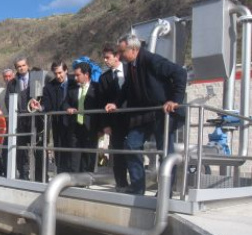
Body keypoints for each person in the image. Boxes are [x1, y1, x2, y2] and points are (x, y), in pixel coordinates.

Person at [105, 34, 187, 195]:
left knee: (165, 151)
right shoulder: (131, 66)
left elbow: (179, 73)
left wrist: (174, 100)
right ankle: (137, 187)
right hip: (143, 115)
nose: (120, 56)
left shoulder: (151, 60)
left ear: (134, 49)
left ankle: (165, 191)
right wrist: (116, 103)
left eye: (122, 52)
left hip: (162, 113)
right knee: (131, 145)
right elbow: (127, 89)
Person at [4, 57, 44, 182]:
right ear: (16, 68)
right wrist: (15, 114)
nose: (21, 68)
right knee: (21, 149)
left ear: (28, 65)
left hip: (36, 119)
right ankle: (24, 174)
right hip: (20, 120)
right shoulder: (13, 83)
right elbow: (8, 100)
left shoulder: (37, 77)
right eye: (19, 66)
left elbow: (42, 96)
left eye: (23, 65)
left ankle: (40, 176)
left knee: (38, 148)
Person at [98, 43, 129, 191]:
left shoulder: (131, 70)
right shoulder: (104, 78)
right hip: (115, 122)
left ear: (117, 56)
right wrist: (105, 125)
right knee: (118, 153)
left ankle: (137, 184)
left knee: (135, 151)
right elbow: (102, 102)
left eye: (107, 57)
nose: (105, 60)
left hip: (133, 119)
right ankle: (121, 183)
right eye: (104, 58)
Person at [62, 61, 102, 173]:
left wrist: (100, 128)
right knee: (74, 155)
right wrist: (68, 108)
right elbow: (64, 103)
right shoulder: (72, 89)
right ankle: (75, 180)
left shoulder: (97, 88)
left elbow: (100, 108)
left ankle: (86, 180)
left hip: (91, 128)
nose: (75, 78)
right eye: (74, 75)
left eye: (78, 75)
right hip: (75, 127)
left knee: (88, 156)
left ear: (86, 75)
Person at [40, 61, 77, 173]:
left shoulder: (75, 81)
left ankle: (75, 175)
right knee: (60, 150)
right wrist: (40, 107)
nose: (58, 76)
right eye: (55, 73)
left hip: (74, 122)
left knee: (73, 149)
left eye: (60, 72)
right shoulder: (49, 87)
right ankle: (61, 174)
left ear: (66, 70)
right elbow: (47, 105)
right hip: (58, 122)